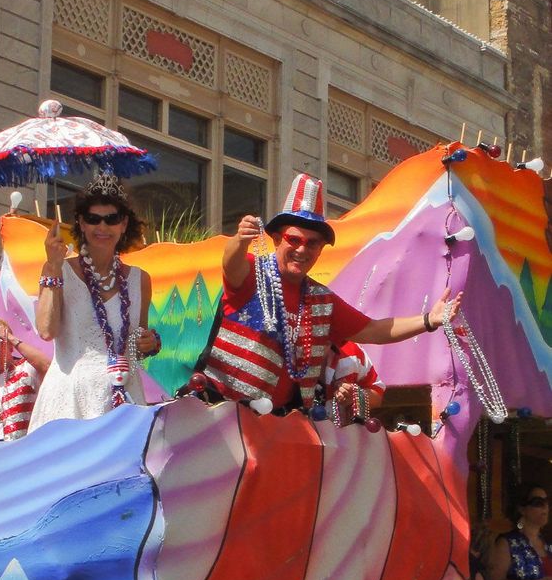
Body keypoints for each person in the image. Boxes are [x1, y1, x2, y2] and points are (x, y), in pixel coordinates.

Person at [190, 173, 462, 411]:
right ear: (276, 239)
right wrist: (240, 240)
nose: (302, 250)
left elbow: (374, 330)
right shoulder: (252, 271)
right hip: (218, 411)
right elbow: (231, 263)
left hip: (278, 425)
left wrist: (429, 320)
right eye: (293, 240)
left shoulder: (322, 300)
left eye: (313, 243)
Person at [28, 174, 159, 429]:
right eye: (93, 219)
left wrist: (149, 342)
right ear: (81, 223)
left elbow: (137, 341)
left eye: (111, 219)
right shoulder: (59, 270)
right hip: (70, 397)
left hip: (123, 399)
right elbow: (46, 330)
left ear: (123, 224)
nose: (102, 227)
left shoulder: (140, 279)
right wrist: (53, 267)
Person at [0, 317, 50, 441]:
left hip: (24, 445)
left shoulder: (25, 368)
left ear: (9, 346)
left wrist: (11, 338)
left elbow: (46, 366)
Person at [488, 485, 552, 580]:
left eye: (547, 502)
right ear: (522, 509)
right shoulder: (508, 542)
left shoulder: (549, 547)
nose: (545, 507)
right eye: (538, 503)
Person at [322, 341, 385, 426]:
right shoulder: (297, 351)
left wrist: (355, 396)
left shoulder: (352, 349)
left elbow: (377, 394)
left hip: (342, 435)